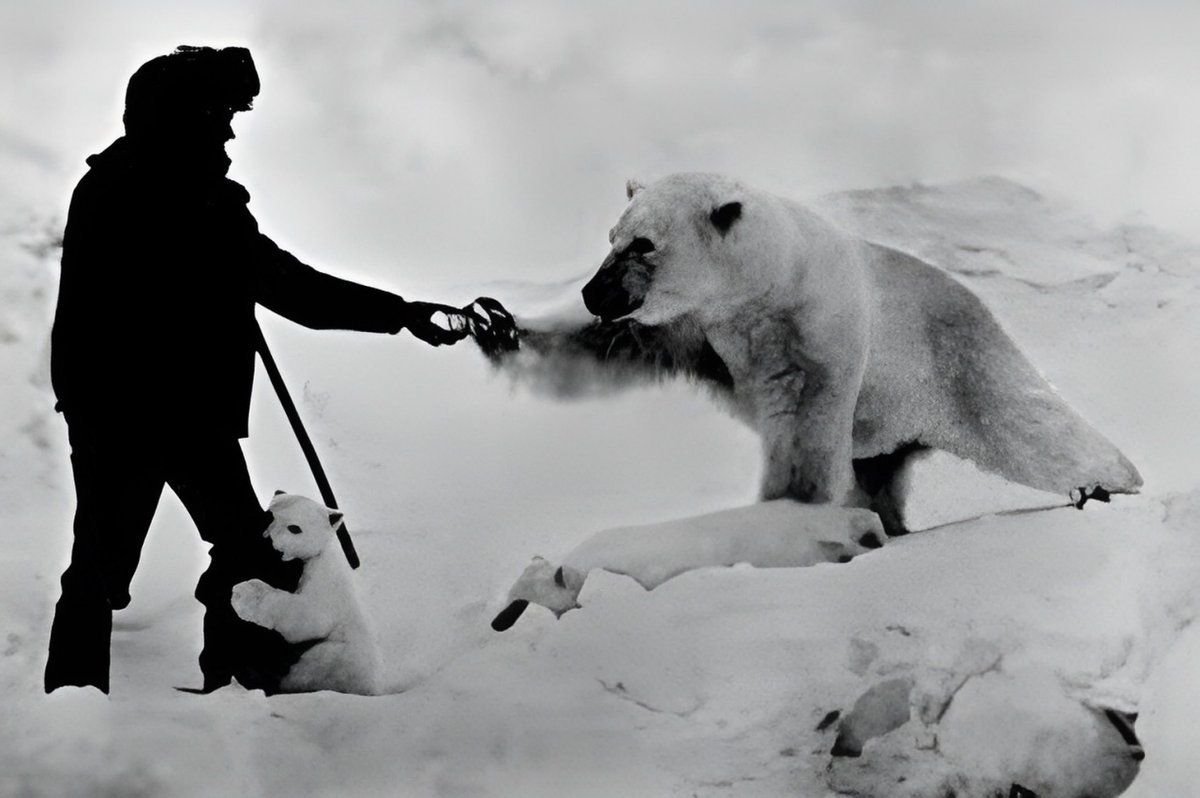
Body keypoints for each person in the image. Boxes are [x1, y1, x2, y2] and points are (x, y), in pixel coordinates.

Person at [45, 45, 504, 694]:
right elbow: (257, 285)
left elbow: (291, 287)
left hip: (187, 415)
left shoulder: (198, 196)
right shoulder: (133, 191)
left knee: (239, 551)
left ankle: (229, 687)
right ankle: (75, 708)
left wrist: (402, 313)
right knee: (104, 568)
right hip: (123, 415)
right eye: (222, 114)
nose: (232, 130)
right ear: (184, 118)